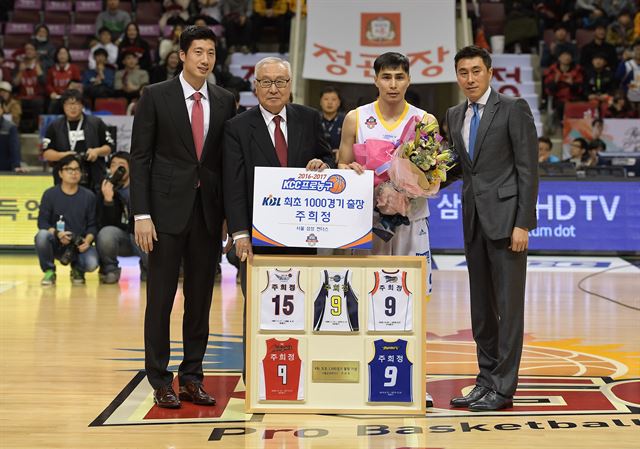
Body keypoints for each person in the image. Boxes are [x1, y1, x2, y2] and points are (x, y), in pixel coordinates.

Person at [130, 26, 236, 409]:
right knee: (159, 300)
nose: (205, 59)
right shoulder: (155, 95)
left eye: (210, 52)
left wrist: (228, 216)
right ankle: (159, 379)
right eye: (198, 52)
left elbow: (226, 163)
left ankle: (192, 377)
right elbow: (139, 158)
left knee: (200, 303)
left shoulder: (225, 99)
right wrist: (141, 213)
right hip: (162, 214)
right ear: (181, 55)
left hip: (207, 215)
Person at [222, 56, 333, 377]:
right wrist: (240, 233)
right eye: (266, 82)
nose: (274, 89)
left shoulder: (309, 118)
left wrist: (322, 164)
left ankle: (298, 370)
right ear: (255, 88)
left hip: (303, 234)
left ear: (290, 86)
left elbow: (326, 155)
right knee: (259, 305)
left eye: (280, 82)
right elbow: (233, 183)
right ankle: (255, 375)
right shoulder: (237, 127)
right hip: (258, 238)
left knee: (302, 301)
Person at [336, 51, 436, 407]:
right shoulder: (356, 118)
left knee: (413, 301)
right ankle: (366, 375)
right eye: (386, 77)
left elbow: (436, 173)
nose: (393, 84)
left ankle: (414, 380)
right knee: (366, 296)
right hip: (369, 223)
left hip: (412, 221)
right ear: (375, 79)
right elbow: (342, 165)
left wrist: (410, 185)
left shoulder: (425, 120)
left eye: (399, 77)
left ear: (409, 80)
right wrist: (352, 171)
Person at [445, 46, 538, 411]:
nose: (469, 78)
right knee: (482, 309)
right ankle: (484, 381)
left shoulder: (513, 109)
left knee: (508, 308)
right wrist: (420, 176)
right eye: (463, 72)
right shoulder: (454, 114)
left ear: (489, 72)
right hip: (472, 222)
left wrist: (522, 223)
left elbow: (528, 170)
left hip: (506, 224)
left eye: (475, 71)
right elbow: (459, 168)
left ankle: (503, 387)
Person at [35, 155, 99, 285]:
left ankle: (78, 269)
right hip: (57, 242)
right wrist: (58, 234)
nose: (73, 173)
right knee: (41, 236)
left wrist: (87, 241)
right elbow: (42, 222)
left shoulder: (89, 196)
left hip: (78, 244)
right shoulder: (50, 194)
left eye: (77, 169)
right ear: (60, 173)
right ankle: (49, 271)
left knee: (92, 263)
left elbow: (93, 225)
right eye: (69, 169)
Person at [42, 89, 114, 192]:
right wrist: (63, 156)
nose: (73, 107)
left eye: (76, 103)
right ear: (63, 106)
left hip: (93, 176)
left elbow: (110, 147)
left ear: (82, 106)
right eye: (68, 104)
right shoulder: (55, 126)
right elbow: (46, 153)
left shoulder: (96, 123)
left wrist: (97, 151)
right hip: (64, 177)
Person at [96, 151, 148, 284]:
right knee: (106, 233)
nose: (117, 168)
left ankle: (148, 268)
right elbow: (105, 224)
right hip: (122, 238)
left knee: (141, 231)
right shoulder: (105, 188)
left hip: (140, 236)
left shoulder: (141, 187)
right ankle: (111, 269)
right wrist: (108, 200)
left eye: (121, 165)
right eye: (113, 165)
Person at [13, 42, 45, 132]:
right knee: (16, 103)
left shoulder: (41, 65)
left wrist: (39, 72)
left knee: (38, 103)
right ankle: (17, 129)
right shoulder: (19, 65)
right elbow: (14, 85)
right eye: (27, 49)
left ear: (35, 52)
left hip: (36, 96)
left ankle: (37, 128)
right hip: (22, 96)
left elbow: (44, 83)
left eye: (31, 49)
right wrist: (20, 72)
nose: (29, 51)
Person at [46, 47, 81, 114]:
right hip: (55, 96)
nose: (62, 56)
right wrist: (52, 92)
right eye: (60, 53)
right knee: (53, 103)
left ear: (68, 55)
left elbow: (77, 83)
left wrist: (70, 92)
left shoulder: (74, 69)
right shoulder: (51, 70)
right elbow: (48, 84)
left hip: (70, 96)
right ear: (56, 55)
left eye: (64, 53)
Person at [318, 86, 345, 158]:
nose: (330, 102)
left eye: (334, 99)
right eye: (326, 99)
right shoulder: (314, 119)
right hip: (318, 160)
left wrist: (342, 152)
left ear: (339, 102)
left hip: (340, 159)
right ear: (320, 102)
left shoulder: (346, 120)